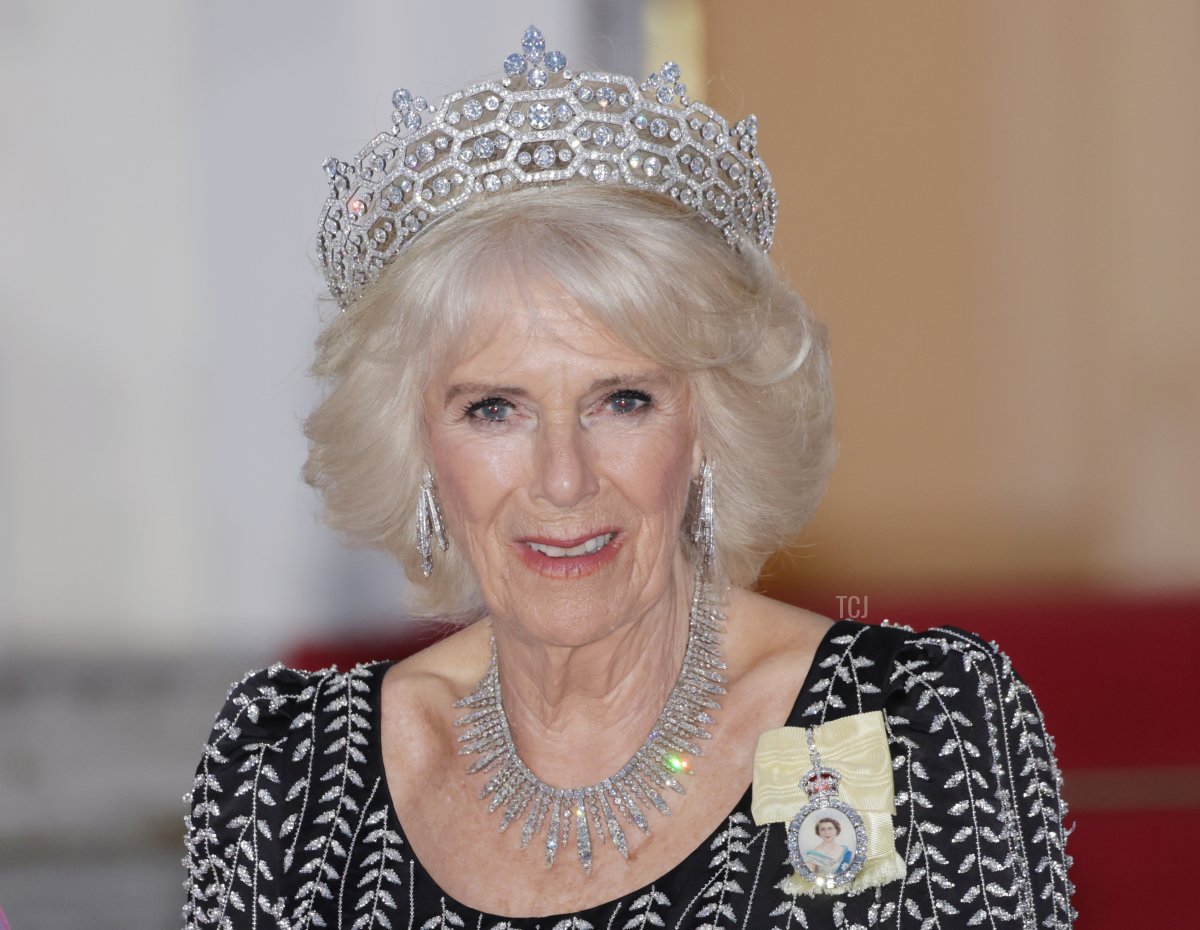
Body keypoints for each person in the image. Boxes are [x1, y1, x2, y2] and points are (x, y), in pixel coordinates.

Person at [183, 25, 1074, 929]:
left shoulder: (909, 724)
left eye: (622, 401)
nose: (563, 480)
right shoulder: (289, 778)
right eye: (494, 409)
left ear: (710, 427)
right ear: (414, 445)